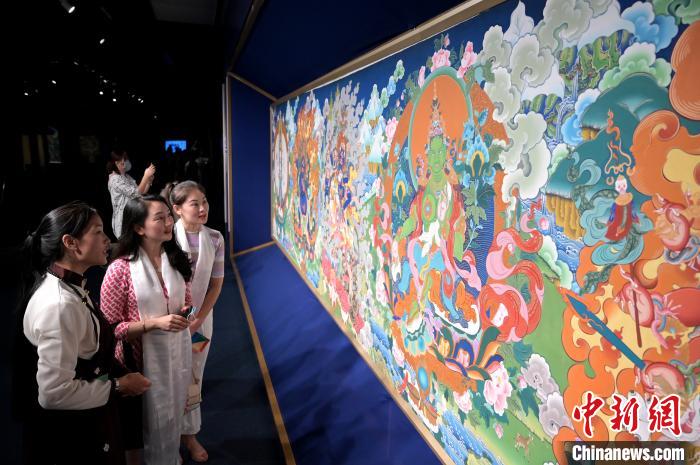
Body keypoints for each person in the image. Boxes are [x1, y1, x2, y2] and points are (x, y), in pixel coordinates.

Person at [12, 201, 151, 465]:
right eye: (98, 232)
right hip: (73, 434)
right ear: (70, 243)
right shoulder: (59, 305)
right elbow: (53, 393)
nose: (107, 239)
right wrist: (119, 386)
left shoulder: (69, 287)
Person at [100, 195, 193, 465]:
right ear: (139, 227)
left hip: (175, 357)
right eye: (160, 218)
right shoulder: (120, 270)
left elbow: (188, 302)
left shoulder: (175, 259)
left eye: (169, 215)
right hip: (136, 365)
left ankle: (169, 455)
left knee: (172, 413)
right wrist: (155, 324)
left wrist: (185, 314)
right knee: (136, 433)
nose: (169, 222)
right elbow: (110, 329)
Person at [165, 181, 225, 462]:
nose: (202, 208)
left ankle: (189, 434)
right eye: (194, 203)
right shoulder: (166, 237)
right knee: (166, 376)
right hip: (167, 321)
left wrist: (198, 320)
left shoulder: (215, 238)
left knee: (194, 374)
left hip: (201, 321)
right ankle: (166, 435)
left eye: (205, 201)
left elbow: (216, 285)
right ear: (177, 209)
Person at [107, 149, 156, 239]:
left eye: (126, 159)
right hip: (123, 220)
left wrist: (148, 181)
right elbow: (136, 193)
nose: (126, 162)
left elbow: (141, 192)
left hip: (133, 216)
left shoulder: (126, 176)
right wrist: (145, 176)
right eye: (123, 160)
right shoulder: (115, 179)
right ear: (116, 163)